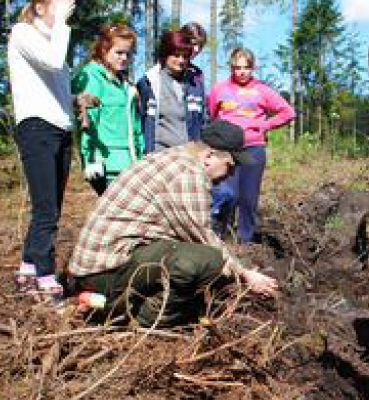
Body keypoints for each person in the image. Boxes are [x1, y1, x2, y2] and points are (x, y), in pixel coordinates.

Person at [67, 120, 279, 327]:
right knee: (208, 261)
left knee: (198, 262)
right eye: (231, 165)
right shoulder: (188, 175)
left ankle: (102, 301)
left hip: (101, 266)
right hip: (103, 272)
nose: (232, 174)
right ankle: (136, 317)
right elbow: (204, 239)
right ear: (209, 157)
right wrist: (245, 274)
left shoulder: (175, 158)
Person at [7, 0, 76, 301]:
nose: (65, 13)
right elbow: (49, 61)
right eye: (58, 5)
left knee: (51, 209)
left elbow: (56, 81)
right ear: (39, 8)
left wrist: (77, 100)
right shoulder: (23, 33)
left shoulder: (54, 40)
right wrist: (62, 22)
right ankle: (46, 279)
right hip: (37, 128)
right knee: (46, 209)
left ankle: (27, 270)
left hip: (61, 129)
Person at [208, 47, 296, 243]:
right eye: (237, 67)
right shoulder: (219, 89)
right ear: (231, 67)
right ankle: (221, 237)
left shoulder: (262, 90)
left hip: (253, 149)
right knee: (227, 194)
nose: (242, 72)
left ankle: (245, 241)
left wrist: (264, 125)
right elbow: (213, 115)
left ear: (252, 68)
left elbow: (288, 112)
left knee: (248, 198)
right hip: (226, 150)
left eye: (246, 68)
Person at [72, 23, 143, 195]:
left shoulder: (125, 85)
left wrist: (141, 158)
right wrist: (90, 159)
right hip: (107, 165)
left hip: (130, 164)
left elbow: (135, 127)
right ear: (104, 50)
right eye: (119, 52)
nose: (124, 58)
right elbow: (87, 122)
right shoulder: (92, 77)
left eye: (129, 53)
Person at [137, 25, 208, 153]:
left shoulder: (196, 83)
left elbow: (203, 121)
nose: (181, 60)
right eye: (176, 55)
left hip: (189, 155)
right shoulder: (149, 82)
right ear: (166, 54)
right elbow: (139, 121)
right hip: (159, 155)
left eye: (185, 56)